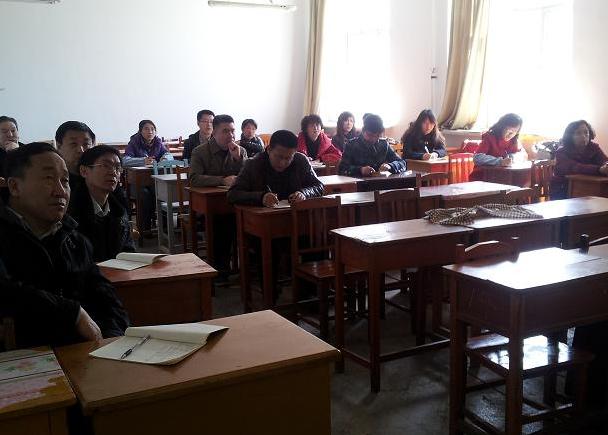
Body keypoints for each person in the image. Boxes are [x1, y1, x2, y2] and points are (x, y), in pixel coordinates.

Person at [0, 143, 129, 348]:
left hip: (82, 354)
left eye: (65, 181)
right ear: (14, 187)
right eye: (48, 178)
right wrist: (72, 312)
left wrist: (113, 338)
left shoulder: (74, 239)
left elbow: (106, 298)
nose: (60, 191)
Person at [68, 145, 135, 262]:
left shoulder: (119, 210)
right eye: (105, 165)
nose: (113, 172)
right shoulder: (71, 212)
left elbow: (128, 250)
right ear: (84, 171)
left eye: (117, 167)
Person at [228, 129, 324, 206]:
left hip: (295, 215)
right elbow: (233, 194)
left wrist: (304, 193)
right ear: (269, 149)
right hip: (264, 218)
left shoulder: (301, 160)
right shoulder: (253, 164)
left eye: (288, 158)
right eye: (279, 157)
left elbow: (319, 186)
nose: (282, 163)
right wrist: (261, 197)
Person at [123, 120, 172, 233]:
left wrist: (165, 158)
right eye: (146, 129)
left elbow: (168, 154)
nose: (150, 131)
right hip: (136, 183)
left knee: (162, 191)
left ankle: (165, 228)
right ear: (140, 131)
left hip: (153, 181)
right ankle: (145, 228)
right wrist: (143, 161)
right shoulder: (134, 143)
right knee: (145, 195)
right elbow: (125, 161)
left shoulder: (158, 142)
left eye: (152, 129)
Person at [550, 120, 608, 199]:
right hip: (562, 190)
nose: (583, 136)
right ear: (570, 136)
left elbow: (604, 160)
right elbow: (576, 167)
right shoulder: (562, 151)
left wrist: (606, 166)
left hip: (588, 186)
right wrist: (599, 169)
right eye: (578, 133)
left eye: (586, 132)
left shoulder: (594, 147)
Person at [338, 114, 406, 176]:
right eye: (370, 135)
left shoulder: (384, 144)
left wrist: (390, 166)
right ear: (363, 131)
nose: (373, 139)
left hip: (380, 182)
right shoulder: (351, 145)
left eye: (377, 136)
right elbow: (342, 169)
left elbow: (402, 163)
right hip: (359, 183)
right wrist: (360, 170)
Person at [189, 114, 247, 187]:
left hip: (236, 193)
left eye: (233, 131)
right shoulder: (199, 152)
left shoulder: (241, 151)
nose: (231, 135)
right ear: (214, 133)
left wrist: (238, 158)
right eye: (225, 131)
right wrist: (222, 180)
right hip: (210, 193)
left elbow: (250, 176)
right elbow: (194, 179)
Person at [469, 113, 523, 181]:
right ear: (502, 127)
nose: (511, 135)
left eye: (515, 132)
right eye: (509, 131)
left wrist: (513, 158)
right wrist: (500, 161)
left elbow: (518, 155)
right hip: (482, 177)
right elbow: (477, 158)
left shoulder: (513, 140)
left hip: (501, 177)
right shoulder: (490, 137)